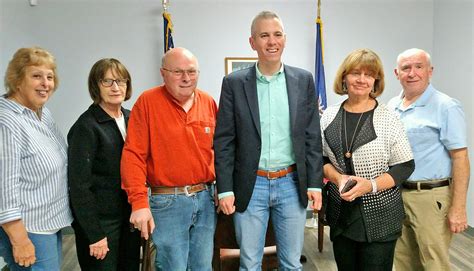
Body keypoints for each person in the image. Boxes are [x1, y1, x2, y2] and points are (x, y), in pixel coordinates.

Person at [214, 11, 323, 270]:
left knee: (291, 263)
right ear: (252, 42)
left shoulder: (303, 80)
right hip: (251, 185)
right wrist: (226, 188)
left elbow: (312, 136)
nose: (271, 41)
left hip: (291, 183)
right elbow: (224, 140)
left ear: (285, 39)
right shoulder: (234, 83)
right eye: (264, 35)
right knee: (250, 263)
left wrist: (316, 183)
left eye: (277, 34)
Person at [121, 47, 217, 270]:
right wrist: (138, 202)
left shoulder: (208, 102)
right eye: (178, 72)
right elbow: (134, 154)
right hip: (167, 203)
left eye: (192, 72)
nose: (186, 78)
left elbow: (220, 152)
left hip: (205, 199)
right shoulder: (147, 102)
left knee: (203, 266)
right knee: (173, 266)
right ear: (163, 73)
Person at [320, 48, 415, 270]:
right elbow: (322, 160)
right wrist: (338, 178)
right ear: (344, 77)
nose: (362, 79)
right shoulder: (329, 116)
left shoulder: (388, 117)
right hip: (341, 215)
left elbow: (405, 166)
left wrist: (370, 186)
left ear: (376, 81)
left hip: (379, 215)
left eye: (369, 74)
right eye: (355, 73)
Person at [388, 48, 470, 271]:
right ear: (397, 73)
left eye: (418, 67)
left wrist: (459, 208)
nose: (412, 73)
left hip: (431, 198)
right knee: (403, 262)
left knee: (434, 264)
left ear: (430, 71)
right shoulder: (391, 107)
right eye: (406, 68)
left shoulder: (446, 106)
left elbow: (460, 158)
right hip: (397, 195)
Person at [0, 47, 73, 270]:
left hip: (49, 222)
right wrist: (20, 240)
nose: (45, 83)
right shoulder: (7, 121)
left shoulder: (42, 114)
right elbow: (4, 186)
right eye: (36, 76)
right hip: (29, 229)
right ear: (17, 80)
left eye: (49, 77)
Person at [67, 58, 141, 270]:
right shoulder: (86, 126)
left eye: (120, 81)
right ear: (96, 86)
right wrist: (95, 234)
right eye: (107, 81)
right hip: (101, 223)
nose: (115, 87)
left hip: (129, 218)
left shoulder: (131, 118)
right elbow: (79, 186)